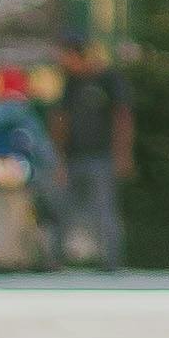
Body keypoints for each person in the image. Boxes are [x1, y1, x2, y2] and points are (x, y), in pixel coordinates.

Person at [50, 40, 131, 271]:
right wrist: (60, 159)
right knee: (63, 208)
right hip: (74, 157)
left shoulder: (108, 80)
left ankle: (111, 260)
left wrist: (122, 154)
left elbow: (122, 117)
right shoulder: (71, 83)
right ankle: (57, 259)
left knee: (104, 209)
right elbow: (60, 121)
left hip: (102, 156)